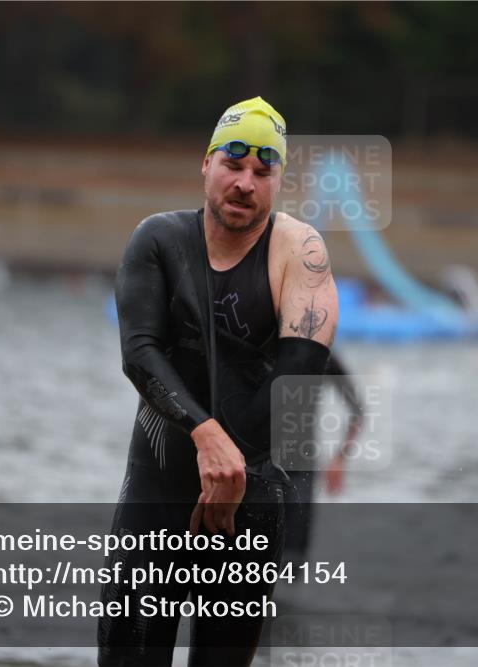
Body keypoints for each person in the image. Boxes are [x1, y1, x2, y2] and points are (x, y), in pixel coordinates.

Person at [98, 97, 339, 667]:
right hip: (156, 499)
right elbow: (139, 354)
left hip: (249, 511)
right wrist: (207, 436)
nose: (245, 183)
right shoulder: (157, 240)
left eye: (263, 171)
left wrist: (235, 470)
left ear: (279, 180)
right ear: (206, 165)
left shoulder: (300, 252)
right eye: (233, 165)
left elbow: (297, 378)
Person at [282, 353, 364, 562]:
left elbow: (358, 409)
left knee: (293, 557)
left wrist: (339, 458)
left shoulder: (320, 353)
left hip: (301, 466)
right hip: (254, 466)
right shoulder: (256, 345)